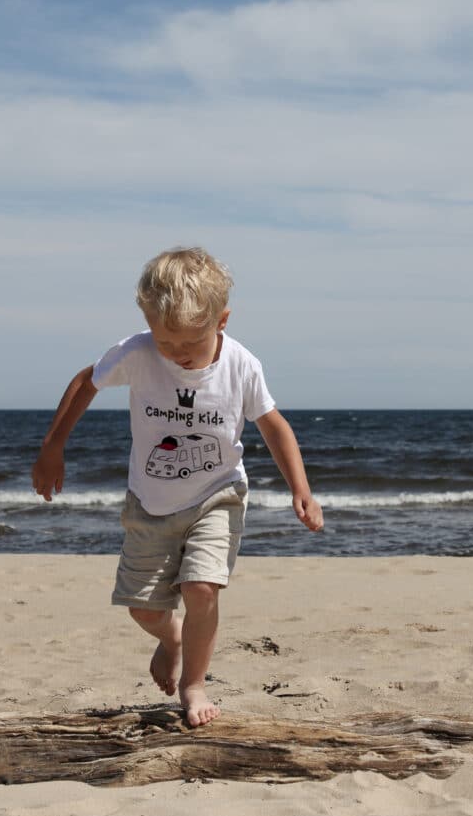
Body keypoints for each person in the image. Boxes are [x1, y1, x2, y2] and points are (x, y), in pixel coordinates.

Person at [32, 247, 323, 728]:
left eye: (187, 344)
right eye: (164, 342)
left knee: (202, 588)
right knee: (144, 610)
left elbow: (273, 425)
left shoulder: (241, 365)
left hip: (218, 494)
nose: (175, 354)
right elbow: (87, 380)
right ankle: (172, 639)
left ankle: (194, 684)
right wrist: (52, 446)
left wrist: (302, 488)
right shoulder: (139, 351)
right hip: (149, 503)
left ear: (221, 320)